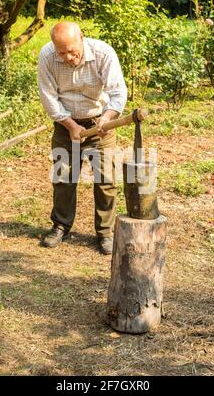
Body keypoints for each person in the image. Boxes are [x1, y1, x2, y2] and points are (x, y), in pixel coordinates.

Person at [38, 21, 127, 254]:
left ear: (82, 39)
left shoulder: (103, 53)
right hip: (65, 125)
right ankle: (60, 226)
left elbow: (118, 93)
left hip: (100, 123)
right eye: (61, 52)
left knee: (106, 179)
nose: (67, 57)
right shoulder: (47, 56)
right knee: (63, 177)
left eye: (71, 50)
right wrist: (69, 125)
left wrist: (107, 118)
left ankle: (105, 232)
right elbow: (49, 99)